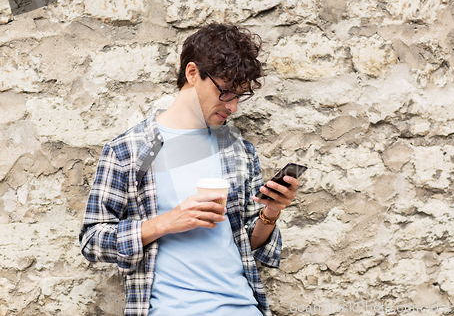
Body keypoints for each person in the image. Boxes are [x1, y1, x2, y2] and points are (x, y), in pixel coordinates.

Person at [79, 23, 300, 316]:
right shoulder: (129, 150)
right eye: (225, 93)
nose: (233, 106)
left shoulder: (239, 149)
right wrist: (166, 222)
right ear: (193, 73)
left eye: (239, 96)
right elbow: (92, 240)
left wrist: (271, 212)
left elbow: (250, 244)